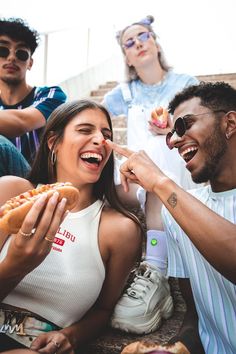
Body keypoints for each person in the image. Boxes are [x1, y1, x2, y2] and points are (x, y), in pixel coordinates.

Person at [0, 99, 142, 353]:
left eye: (106, 134)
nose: (100, 140)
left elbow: (104, 309)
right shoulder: (12, 193)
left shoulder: (119, 229)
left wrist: (72, 336)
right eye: (85, 130)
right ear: (53, 142)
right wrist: (14, 266)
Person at [106, 81, 236, 354]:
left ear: (230, 123)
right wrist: (174, 348)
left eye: (183, 126)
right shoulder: (177, 217)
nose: (174, 141)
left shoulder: (175, 203)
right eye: (171, 134)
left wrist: (161, 184)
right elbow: (197, 317)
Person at [103, 15, 199, 334]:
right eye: (129, 43)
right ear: (126, 57)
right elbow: (97, 125)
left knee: (157, 152)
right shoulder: (120, 94)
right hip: (130, 180)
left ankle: (156, 267)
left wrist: (170, 130)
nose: (138, 44)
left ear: (155, 42)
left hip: (179, 171)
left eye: (143, 36)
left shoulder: (185, 83)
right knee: (146, 162)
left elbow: (200, 128)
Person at [0, 17, 66, 177]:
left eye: (21, 53)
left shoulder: (51, 94)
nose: (11, 57)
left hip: (36, 185)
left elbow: (22, 122)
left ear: (30, 63)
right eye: (3, 50)